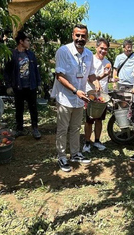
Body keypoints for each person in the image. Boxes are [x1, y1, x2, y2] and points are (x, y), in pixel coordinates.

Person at [51, 24, 101, 172]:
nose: (80, 38)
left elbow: (90, 74)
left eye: (83, 36)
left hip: (80, 98)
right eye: (77, 35)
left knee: (75, 128)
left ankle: (75, 153)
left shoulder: (89, 54)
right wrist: (75, 91)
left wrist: (96, 83)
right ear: (73, 35)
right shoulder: (64, 51)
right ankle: (61, 156)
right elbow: (59, 76)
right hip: (66, 97)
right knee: (63, 128)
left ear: (87, 37)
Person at [4, 31, 42, 139]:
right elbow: (6, 71)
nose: (29, 42)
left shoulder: (30, 54)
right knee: (19, 109)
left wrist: (38, 83)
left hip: (31, 86)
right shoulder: (12, 54)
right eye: (27, 40)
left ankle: (35, 129)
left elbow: (35, 70)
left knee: (33, 108)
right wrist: (8, 86)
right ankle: (20, 129)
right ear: (21, 41)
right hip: (18, 87)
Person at [83, 38, 111, 153]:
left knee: (99, 120)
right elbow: (90, 78)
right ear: (96, 47)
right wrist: (103, 75)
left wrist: (110, 78)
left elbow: (107, 80)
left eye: (105, 49)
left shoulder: (108, 62)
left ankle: (97, 141)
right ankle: (87, 142)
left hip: (102, 95)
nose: (103, 51)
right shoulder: (91, 60)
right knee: (89, 120)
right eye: (101, 48)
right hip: (90, 94)